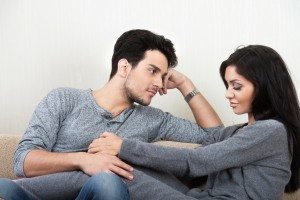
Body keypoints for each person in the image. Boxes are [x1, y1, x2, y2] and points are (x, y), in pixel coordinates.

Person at [0, 29, 221, 199]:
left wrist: (185, 85)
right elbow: (23, 162)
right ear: (124, 67)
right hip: (40, 194)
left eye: (163, 75)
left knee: (107, 182)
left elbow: (216, 138)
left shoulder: (154, 119)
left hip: (106, 192)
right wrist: (84, 161)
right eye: (152, 71)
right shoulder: (64, 99)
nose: (158, 83)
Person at [94, 45, 300, 200]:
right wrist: (185, 84)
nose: (228, 94)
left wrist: (123, 146)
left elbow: (197, 161)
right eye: (228, 85)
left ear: (264, 87)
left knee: (114, 170)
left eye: (236, 86)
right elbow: (211, 135)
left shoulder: (272, 131)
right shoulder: (244, 132)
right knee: (119, 166)